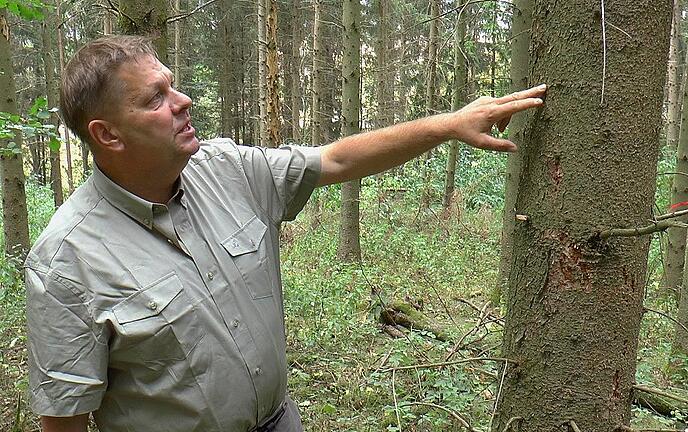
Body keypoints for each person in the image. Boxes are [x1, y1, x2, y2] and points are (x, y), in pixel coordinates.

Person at [24, 35, 545, 432]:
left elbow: (337, 158)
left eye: (173, 85)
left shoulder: (226, 170)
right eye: (156, 98)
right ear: (106, 134)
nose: (183, 101)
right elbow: (65, 421)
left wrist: (447, 125)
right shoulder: (68, 262)